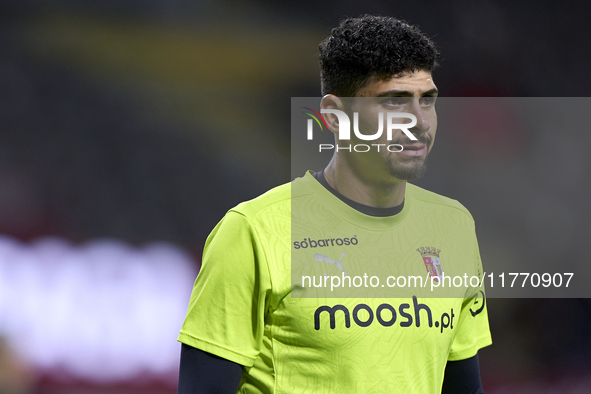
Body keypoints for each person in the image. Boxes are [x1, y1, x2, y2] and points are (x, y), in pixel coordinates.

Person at [178, 15, 492, 393]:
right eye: (395, 102)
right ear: (334, 117)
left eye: (427, 100)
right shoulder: (253, 231)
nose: (419, 122)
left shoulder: (453, 226)